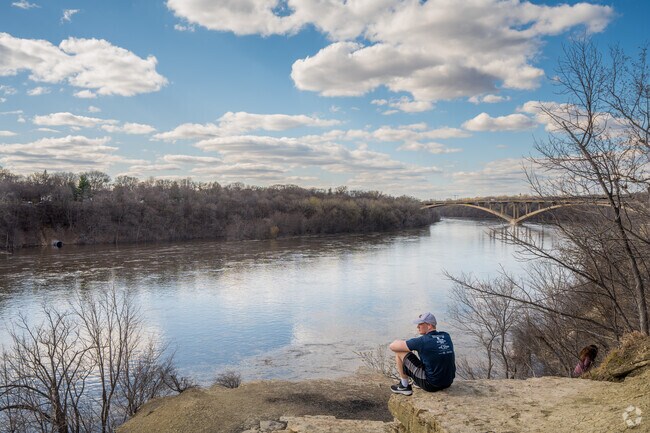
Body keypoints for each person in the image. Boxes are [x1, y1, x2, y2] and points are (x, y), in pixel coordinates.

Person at [388, 312, 456, 395]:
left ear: (429, 325)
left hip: (431, 385)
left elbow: (392, 346)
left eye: (420, 324)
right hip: (448, 382)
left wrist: (397, 341)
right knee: (431, 355)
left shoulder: (423, 341)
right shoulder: (446, 336)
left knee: (400, 352)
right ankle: (418, 382)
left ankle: (404, 386)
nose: (417, 327)